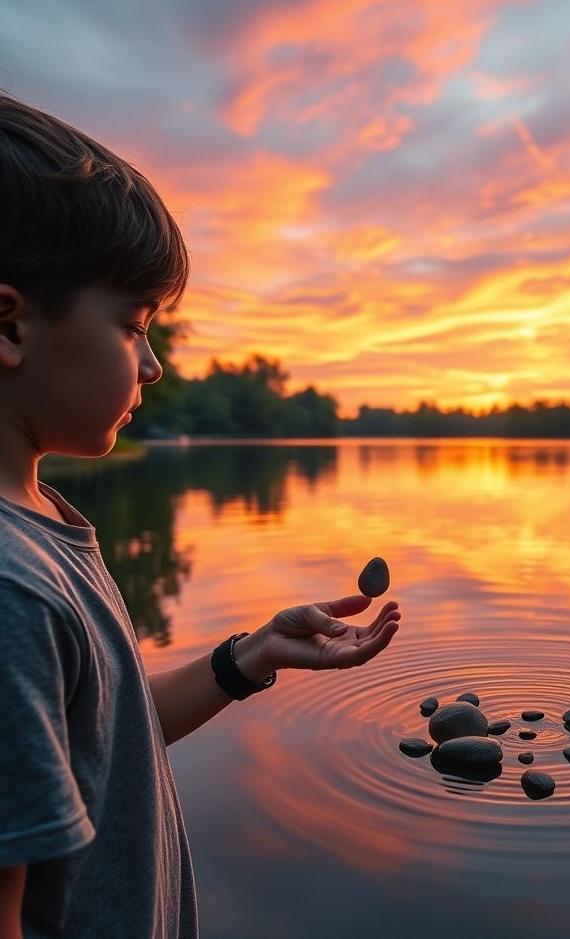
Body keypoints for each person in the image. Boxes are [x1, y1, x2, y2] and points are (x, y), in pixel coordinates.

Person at [0, 92, 401, 939]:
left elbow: (99, 749)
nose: (150, 366)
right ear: (8, 324)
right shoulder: (12, 591)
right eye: (133, 326)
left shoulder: (45, 523)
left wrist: (250, 656)